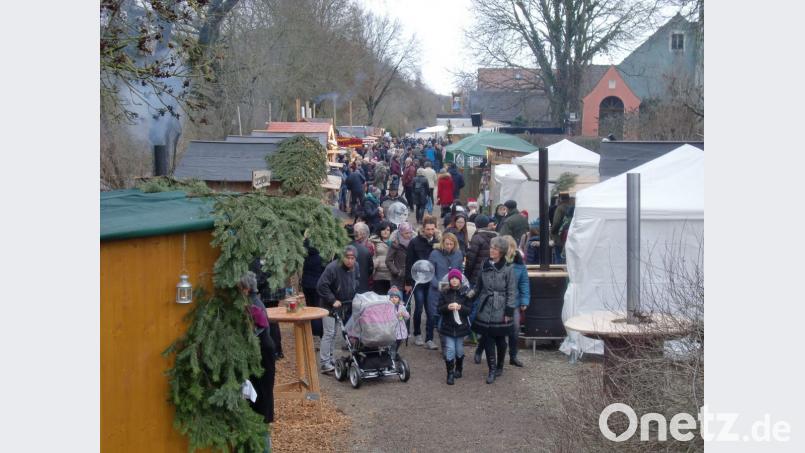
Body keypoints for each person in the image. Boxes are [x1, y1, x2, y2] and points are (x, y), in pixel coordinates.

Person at [471, 236, 517, 384]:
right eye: (491, 247)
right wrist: (467, 297)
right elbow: (478, 287)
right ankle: (491, 369)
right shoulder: (485, 265)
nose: (492, 250)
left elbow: (511, 291)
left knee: (501, 341)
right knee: (488, 338)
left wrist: (509, 312)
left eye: (495, 248)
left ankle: (500, 366)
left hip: (501, 307)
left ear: (502, 251)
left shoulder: (508, 268)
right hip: (485, 306)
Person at [238, 271, 275, 450]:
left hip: (261, 357)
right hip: (264, 355)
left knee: (259, 406)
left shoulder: (252, 306)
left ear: (245, 289)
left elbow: (256, 332)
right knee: (262, 404)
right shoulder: (255, 301)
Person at [316, 245, 360, 373]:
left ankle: (330, 359)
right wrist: (332, 300)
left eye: (352, 258)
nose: (350, 261)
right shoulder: (332, 268)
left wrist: (353, 293)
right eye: (347, 258)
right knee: (329, 333)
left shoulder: (355, 267)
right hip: (328, 306)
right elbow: (321, 286)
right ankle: (324, 363)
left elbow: (356, 280)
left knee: (335, 333)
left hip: (343, 305)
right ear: (342, 257)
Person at [405, 216, 440, 346]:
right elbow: (409, 263)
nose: (430, 231)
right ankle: (418, 334)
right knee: (419, 307)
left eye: (432, 229)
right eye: (428, 229)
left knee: (431, 310)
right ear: (423, 229)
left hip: (432, 281)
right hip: (418, 280)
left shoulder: (438, 242)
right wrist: (408, 282)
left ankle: (429, 338)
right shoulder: (414, 242)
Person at [426, 232, 464, 350]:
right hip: (436, 289)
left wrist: (457, 285)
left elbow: (460, 271)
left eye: (451, 244)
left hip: (451, 290)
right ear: (442, 243)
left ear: (455, 244)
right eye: (446, 244)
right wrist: (437, 285)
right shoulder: (434, 254)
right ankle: (429, 338)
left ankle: (446, 344)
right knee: (432, 315)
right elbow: (430, 272)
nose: (448, 246)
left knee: (447, 315)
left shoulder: (458, 254)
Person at [437, 268, 473, 385]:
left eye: (456, 278)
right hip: (448, 326)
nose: (454, 280)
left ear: (460, 280)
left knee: (459, 350)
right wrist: (447, 307)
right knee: (450, 349)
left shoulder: (465, 293)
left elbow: (469, 310)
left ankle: (459, 368)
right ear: (449, 280)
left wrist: (461, 307)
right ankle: (450, 374)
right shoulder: (444, 293)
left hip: (460, 327)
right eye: (452, 278)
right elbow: (439, 309)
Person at [503, 235, 530, 367]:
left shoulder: (520, 265)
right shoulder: (497, 262)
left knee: (515, 329)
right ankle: (486, 352)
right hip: (499, 302)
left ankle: (513, 355)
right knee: (495, 329)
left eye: (511, 247)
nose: (509, 250)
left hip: (514, 301)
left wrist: (524, 300)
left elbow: (524, 283)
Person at [250, 256, 284, 359]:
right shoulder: (272, 256)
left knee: (271, 322)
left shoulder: (259, 259)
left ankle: (275, 351)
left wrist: (255, 290)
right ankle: (278, 350)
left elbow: (261, 278)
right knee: (273, 323)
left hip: (269, 294)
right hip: (275, 291)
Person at [302, 238, 326, 337]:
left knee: (309, 306)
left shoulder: (304, 256)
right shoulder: (320, 257)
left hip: (306, 284)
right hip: (317, 285)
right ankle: (318, 330)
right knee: (318, 308)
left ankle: (311, 329)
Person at [386, 221, 413, 292]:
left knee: (407, 301)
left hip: (409, 278)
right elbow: (388, 260)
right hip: (397, 279)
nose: (409, 235)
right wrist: (396, 272)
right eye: (406, 233)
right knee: (396, 300)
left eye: (410, 232)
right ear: (401, 233)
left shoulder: (413, 244)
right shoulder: (395, 244)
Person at [370, 221, 393, 295]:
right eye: (383, 229)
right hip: (378, 275)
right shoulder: (374, 241)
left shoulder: (394, 242)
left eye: (388, 230)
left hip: (391, 275)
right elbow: (372, 256)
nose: (385, 232)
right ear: (380, 230)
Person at [350, 222, 374, 294]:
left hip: (363, 281)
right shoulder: (356, 245)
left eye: (357, 232)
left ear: (364, 233)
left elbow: (370, 267)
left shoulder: (369, 246)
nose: (356, 234)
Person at [388, 286, 410, 359]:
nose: (394, 299)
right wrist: (396, 315)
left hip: (401, 330)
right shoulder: (388, 307)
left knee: (399, 342)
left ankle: (394, 352)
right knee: (393, 344)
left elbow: (407, 316)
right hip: (393, 330)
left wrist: (404, 314)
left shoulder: (402, 307)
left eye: (396, 297)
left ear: (399, 299)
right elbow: (387, 317)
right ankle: (392, 356)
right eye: (392, 297)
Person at [551, 192, 573, 264]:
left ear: (560, 199)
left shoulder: (560, 208)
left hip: (560, 238)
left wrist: (552, 232)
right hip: (571, 236)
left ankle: (561, 274)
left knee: (559, 257)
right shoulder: (573, 207)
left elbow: (556, 223)